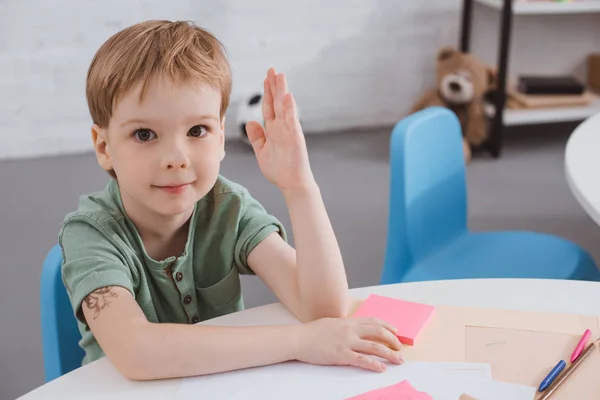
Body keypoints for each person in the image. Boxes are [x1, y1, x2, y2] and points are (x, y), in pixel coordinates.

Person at [59, 19, 403, 381]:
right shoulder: (89, 233)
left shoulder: (228, 207)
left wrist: (299, 186)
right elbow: (137, 352)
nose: (176, 157)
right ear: (103, 147)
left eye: (197, 130)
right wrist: (300, 341)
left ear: (221, 137)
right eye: (144, 134)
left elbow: (323, 311)